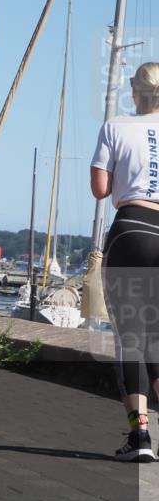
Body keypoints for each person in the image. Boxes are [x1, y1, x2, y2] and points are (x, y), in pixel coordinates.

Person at [90, 62, 159, 462]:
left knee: (131, 338)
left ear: (135, 90)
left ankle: (140, 436)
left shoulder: (116, 126)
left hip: (132, 229)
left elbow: (100, 188)